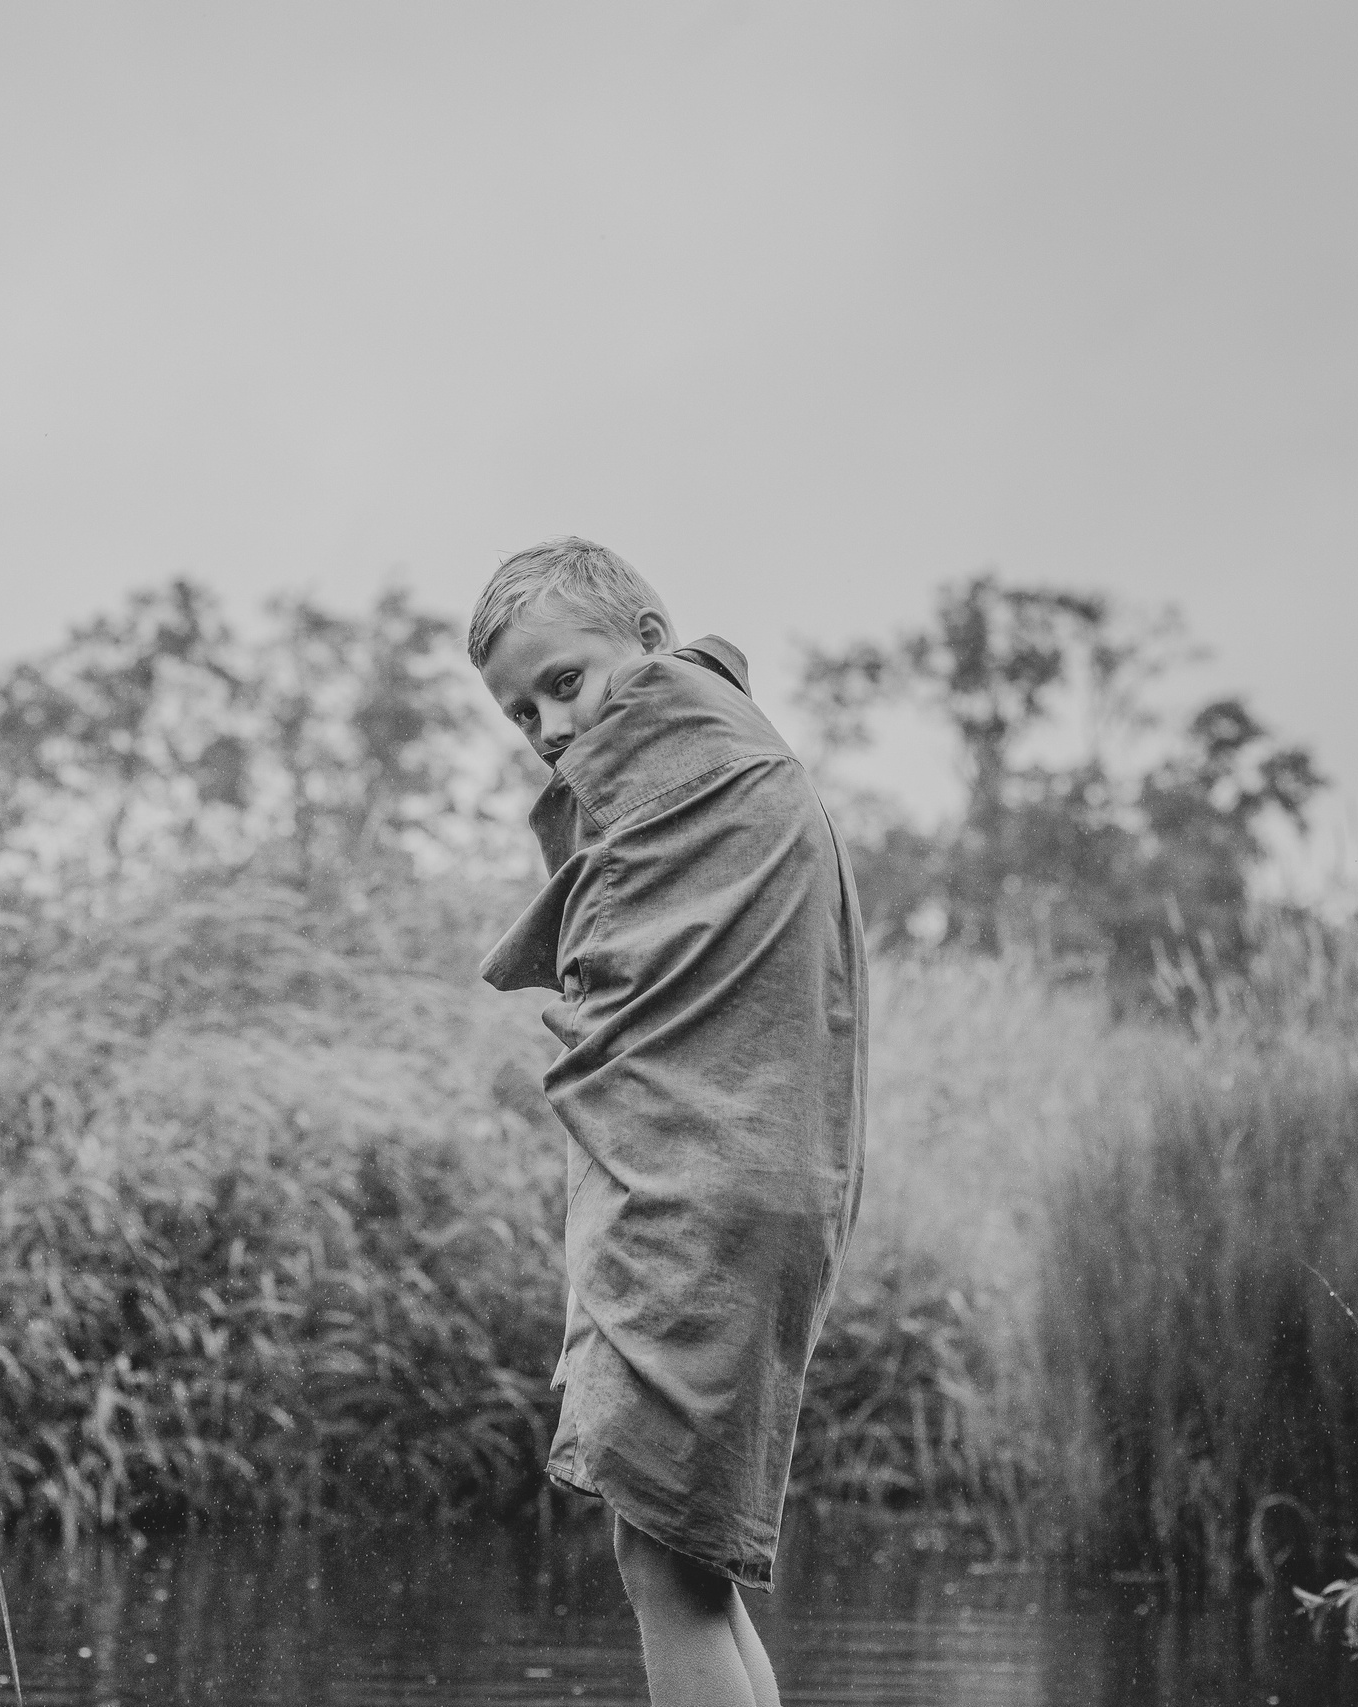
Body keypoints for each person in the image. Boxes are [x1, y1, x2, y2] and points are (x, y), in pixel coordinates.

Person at [471, 537, 867, 1707]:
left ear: (649, 650)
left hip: (705, 1189)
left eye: (565, 681)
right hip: (737, 1181)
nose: (547, 726)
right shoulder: (722, 761)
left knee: (664, 1556)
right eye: (517, 712)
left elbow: (593, 962)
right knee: (680, 1562)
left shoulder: (694, 735)